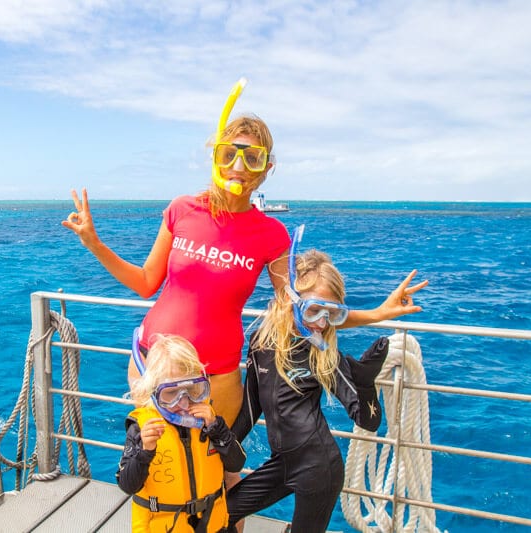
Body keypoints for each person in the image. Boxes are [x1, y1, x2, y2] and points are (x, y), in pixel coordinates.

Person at [61, 114, 426, 429]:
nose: (239, 166)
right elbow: (144, 284)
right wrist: (94, 242)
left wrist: (378, 312)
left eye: (252, 158)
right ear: (216, 157)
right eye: (229, 153)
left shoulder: (270, 234)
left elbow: (300, 313)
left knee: (219, 480)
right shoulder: (182, 209)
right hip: (152, 362)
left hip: (216, 375)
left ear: (266, 168)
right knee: (156, 471)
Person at [226, 236, 394, 533]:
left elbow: (368, 421)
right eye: (314, 310)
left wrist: (366, 385)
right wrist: (222, 443)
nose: (320, 323)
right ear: (290, 297)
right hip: (282, 465)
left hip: (320, 470)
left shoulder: (323, 354)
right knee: (219, 514)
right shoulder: (261, 342)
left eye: (331, 315)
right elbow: (251, 411)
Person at [116, 333, 246, 532]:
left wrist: (217, 430)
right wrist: (145, 451)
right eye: (171, 394)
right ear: (153, 390)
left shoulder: (209, 421)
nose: (184, 403)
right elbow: (128, 485)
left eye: (192, 391)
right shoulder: (142, 429)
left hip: (211, 521)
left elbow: (236, 464)